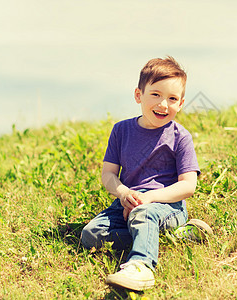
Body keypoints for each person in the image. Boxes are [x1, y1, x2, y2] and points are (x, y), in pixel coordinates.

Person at [80, 56, 212, 291]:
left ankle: (141, 266)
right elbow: (108, 174)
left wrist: (149, 198)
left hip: (166, 206)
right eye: (156, 95)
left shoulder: (180, 137)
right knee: (91, 235)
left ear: (180, 104)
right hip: (127, 201)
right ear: (138, 95)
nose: (163, 104)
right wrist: (122, 192)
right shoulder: (121, 130)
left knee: (143, 214)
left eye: (172, 99)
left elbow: (188, 186)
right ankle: (175, 236)